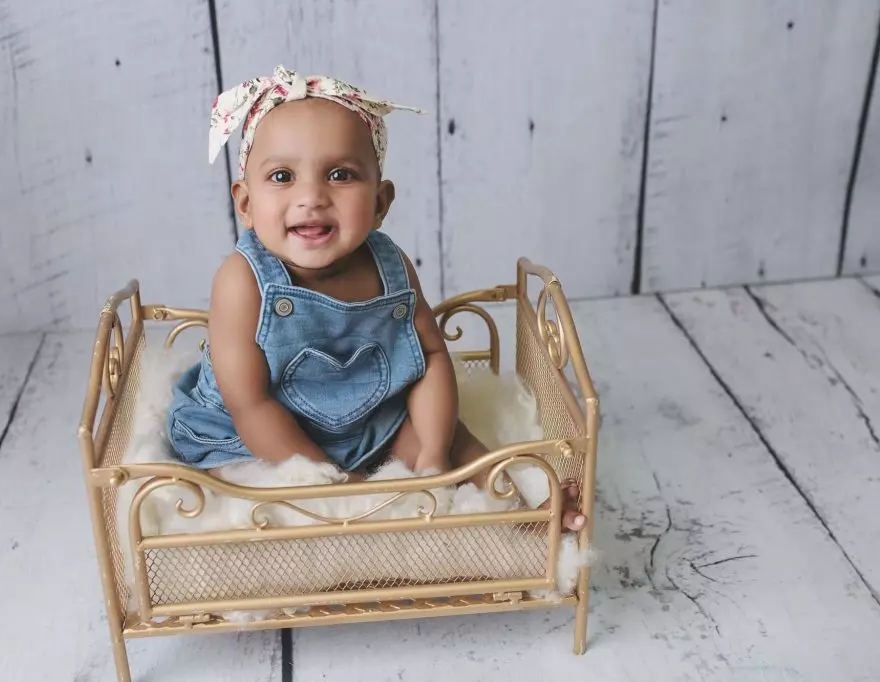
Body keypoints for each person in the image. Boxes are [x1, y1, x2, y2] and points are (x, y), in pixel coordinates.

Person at [167, 65, 585, 531]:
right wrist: (335, 484)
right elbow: (250, 405)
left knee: (454, 439)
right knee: (249, 486)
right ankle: (342, 521)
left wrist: (433, 452)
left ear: (381, 203)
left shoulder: (390, 266)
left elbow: (430, 357)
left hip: (367, 417)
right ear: (245, 204)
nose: (312, 197)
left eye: (340, 174)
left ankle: (529, 504)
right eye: (282, 176)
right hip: (252, 432)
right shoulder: (242, 281)